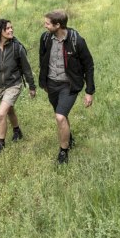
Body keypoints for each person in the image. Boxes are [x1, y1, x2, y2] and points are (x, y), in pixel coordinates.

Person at [38, 9, 95, 164]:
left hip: (69, 85)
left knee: (60, 117)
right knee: (61, 114)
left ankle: (63, 152)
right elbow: (42, 60)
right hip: (51, 84)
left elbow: (88, 66)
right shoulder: (45, 38)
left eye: (47, 23)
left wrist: (89, 91)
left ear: (58, 25)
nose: (45, 26)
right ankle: (69, 138)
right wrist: (44, 82)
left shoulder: (77, 41)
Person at [0, 18, 36, 154]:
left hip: (13, 84)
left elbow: (26, 69)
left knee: (1, 113)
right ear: (0, 31)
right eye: (7, 28)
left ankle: (0, 143)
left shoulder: (17, 48)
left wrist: (32, 87)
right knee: (9, 110)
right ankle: (17, 131)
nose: (11, 30)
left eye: (11, 27)